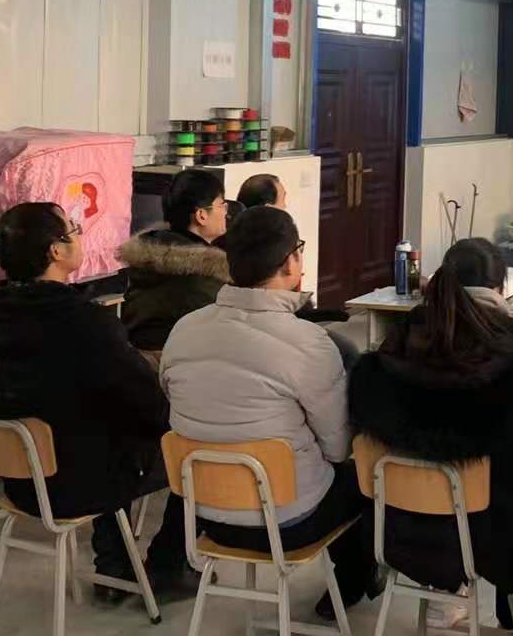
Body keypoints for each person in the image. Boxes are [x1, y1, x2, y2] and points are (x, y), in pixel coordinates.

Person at [0, 203, 189, 599]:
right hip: (79, 482)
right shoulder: (84, 321)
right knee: (189, 452)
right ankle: (168, 569)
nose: (81, 235)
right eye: (74, 229)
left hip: (19, 480)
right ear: (56, 250)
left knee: (103, 431)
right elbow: (146, 401)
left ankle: (115, 568)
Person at [159, 206, 378, 615]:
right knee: (364, 476)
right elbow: (338, 447)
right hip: (288, 523)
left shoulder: (183, 329)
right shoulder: (309, 342)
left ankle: (351, 583)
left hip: (204, 516)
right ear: (291, 261)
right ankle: (350, 583)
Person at [349, 238, 513, 632]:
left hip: (396, 525)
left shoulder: (393, 350)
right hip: (487, 533)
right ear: (502, 288)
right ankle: (512, 614)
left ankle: (444, 590)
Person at [118, 168, 229, 357]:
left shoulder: (149, 255)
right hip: (178, 361)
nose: (227, 212)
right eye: (222, 205)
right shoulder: (203, 277)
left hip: (138, 359)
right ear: (201, 215)